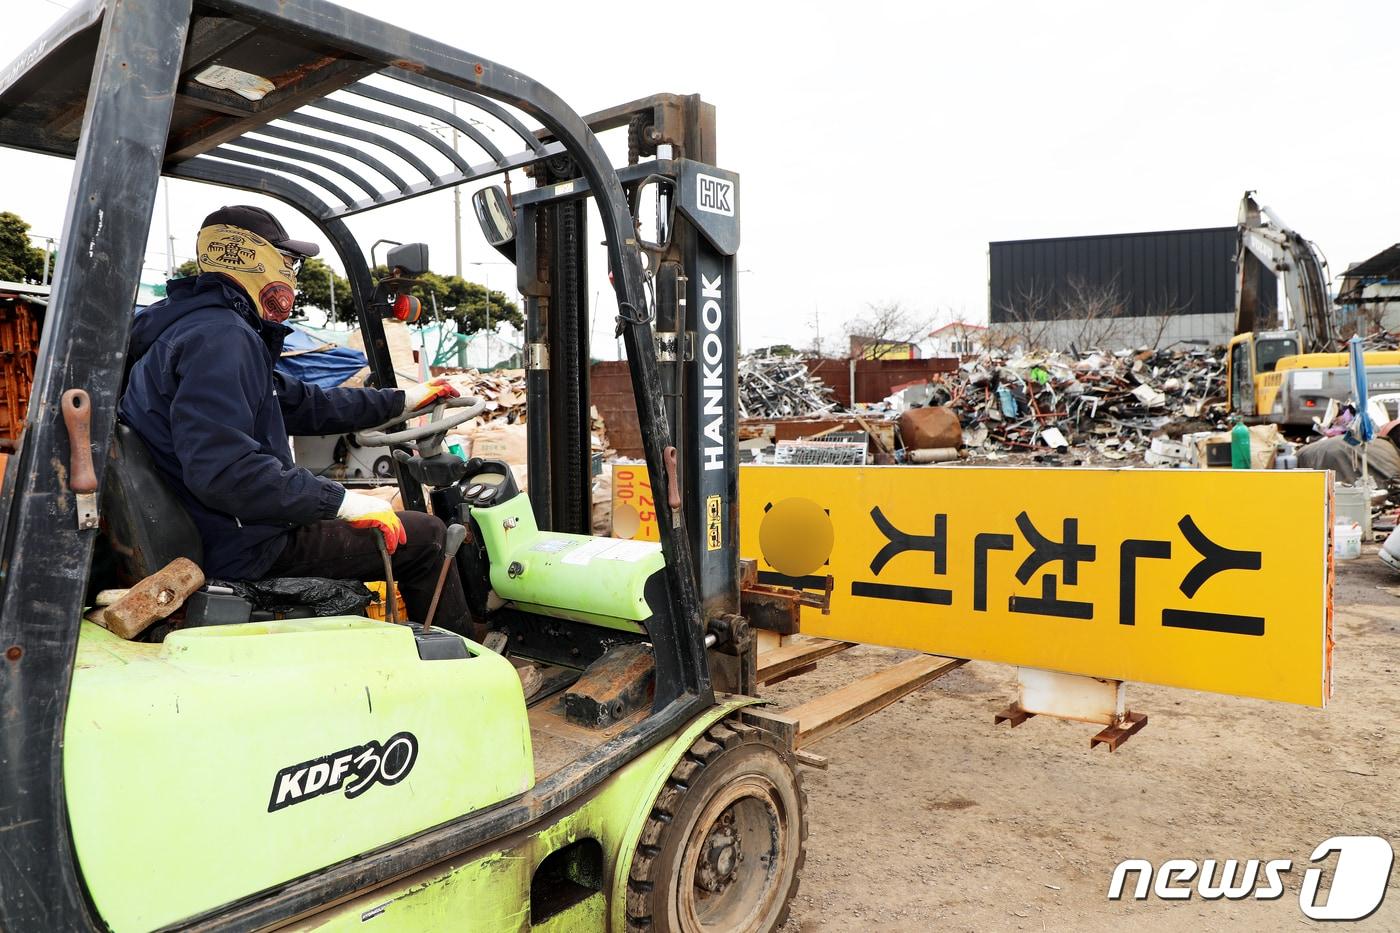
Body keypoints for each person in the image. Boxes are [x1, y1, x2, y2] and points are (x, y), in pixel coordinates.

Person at [120, 205, 469, 631]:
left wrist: (403, 400)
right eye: (288, 261)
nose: (291, 274)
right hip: (243, 543)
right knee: (428, 537)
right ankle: (461, 657)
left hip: (220, 526)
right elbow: (226, 472)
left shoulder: (193, 328)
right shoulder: (223, 338)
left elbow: (304, 404)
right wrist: (341, 501)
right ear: (254, 257)